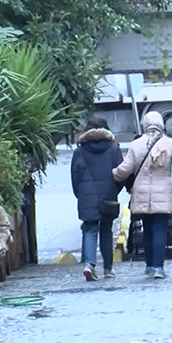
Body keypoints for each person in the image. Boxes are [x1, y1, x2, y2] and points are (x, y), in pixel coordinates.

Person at [113, 112, 172, 279]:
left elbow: (125, 169)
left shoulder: (136, 145)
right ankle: (158, 267)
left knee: (147, 229)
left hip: (141, 194)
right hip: (163, 193)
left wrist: (114, 174)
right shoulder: (170, 144)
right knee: (159, 229)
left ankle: (149, 266)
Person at [71, 117, 124, 281]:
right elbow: (121, 173)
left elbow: (75, 177)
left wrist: (80, 194)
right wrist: (114, 189)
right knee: (106, 230)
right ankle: (108, 269)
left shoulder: (80, 150)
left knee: (90, 229)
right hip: (108, 194)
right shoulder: (114, 148)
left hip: (86, 196)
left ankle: (89, 265)